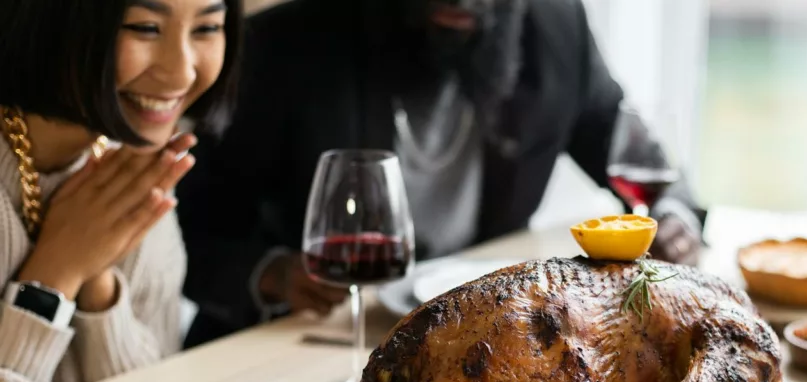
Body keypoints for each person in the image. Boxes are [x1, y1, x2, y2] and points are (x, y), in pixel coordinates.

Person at [178, 0, 708, 347]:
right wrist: (272, 273)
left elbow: (635, 148)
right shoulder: (287, 43)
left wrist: (671, 212)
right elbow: (190, 226)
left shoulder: (556, 27)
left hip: (480, 338)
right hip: (312, 339)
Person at [0, 0, 242, 382]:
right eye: (145, 27)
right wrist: (56, 274)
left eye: (206, 29)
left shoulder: (124, 167)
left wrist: (99, 280)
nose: (182, 71)